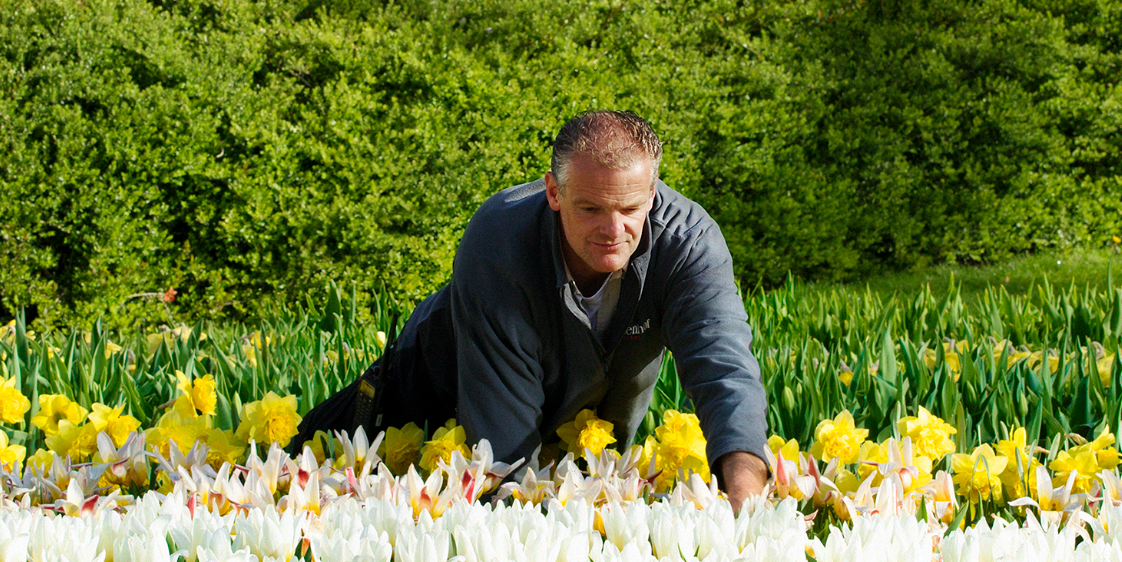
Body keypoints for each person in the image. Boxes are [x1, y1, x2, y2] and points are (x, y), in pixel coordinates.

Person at [293, 110, 773, 510]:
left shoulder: (689, 245)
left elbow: (724, 364)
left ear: (653, 193)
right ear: (553, 193)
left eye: (629, 208)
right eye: (590, 209)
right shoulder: (498, 242)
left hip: (574, 436)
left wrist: (745, 495)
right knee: (292, 468)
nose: (613, 229)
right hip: (422, 406)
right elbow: (504, 456)